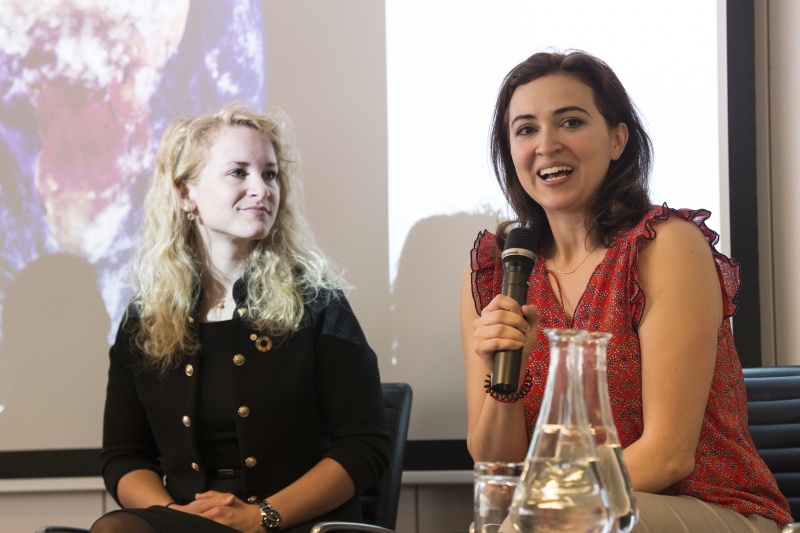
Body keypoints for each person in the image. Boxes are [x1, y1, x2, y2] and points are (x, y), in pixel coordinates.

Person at [460, 50, 794, 532]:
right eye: (526, 129)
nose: (546, 145)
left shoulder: (664, 245)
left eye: (570, 122)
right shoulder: (499, 270)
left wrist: (539, 510)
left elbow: (668, 455)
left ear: (617, 139)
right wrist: (503, 381)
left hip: (712, 508)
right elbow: (497, 465)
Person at [91, 101, 390, 533]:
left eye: (270, 174)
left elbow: (366, 446)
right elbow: (124, 456)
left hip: (294, 524)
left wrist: (259, 517)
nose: (261, 189)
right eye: (238, 173)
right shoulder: (145, 318)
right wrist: (174, 517)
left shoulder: (318, 303)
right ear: (186, 194)